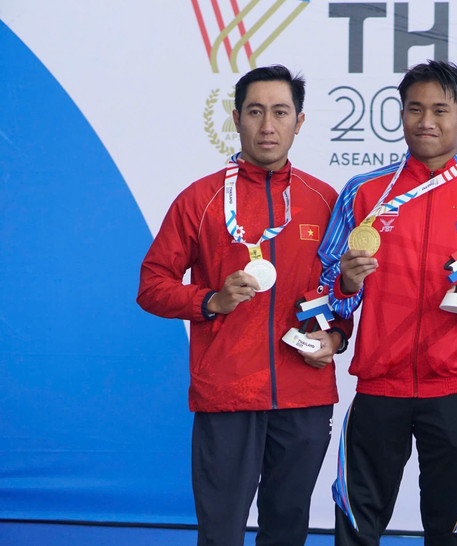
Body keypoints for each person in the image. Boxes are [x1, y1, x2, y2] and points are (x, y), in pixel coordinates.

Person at [137, 65, 352, 546]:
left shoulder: (326, 200)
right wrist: (209, 300)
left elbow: (343, 292)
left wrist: (336, 337)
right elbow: (151, 284)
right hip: (228, 393)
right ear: (236, 118)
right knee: (220, 533)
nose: (268, 126)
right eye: (256, 112)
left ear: (300, 121)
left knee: (288, 529)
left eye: (280, 112)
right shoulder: (201, 199)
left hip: (304, 394)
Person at [318, 60, 457, 545]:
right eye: (414, 109)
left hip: (451, 386)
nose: (425, 121)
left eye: (439, 110)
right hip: (378, 383)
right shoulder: (364, 193)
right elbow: (326, 279)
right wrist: (346, 285)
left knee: (449, 521)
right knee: (357, 517)